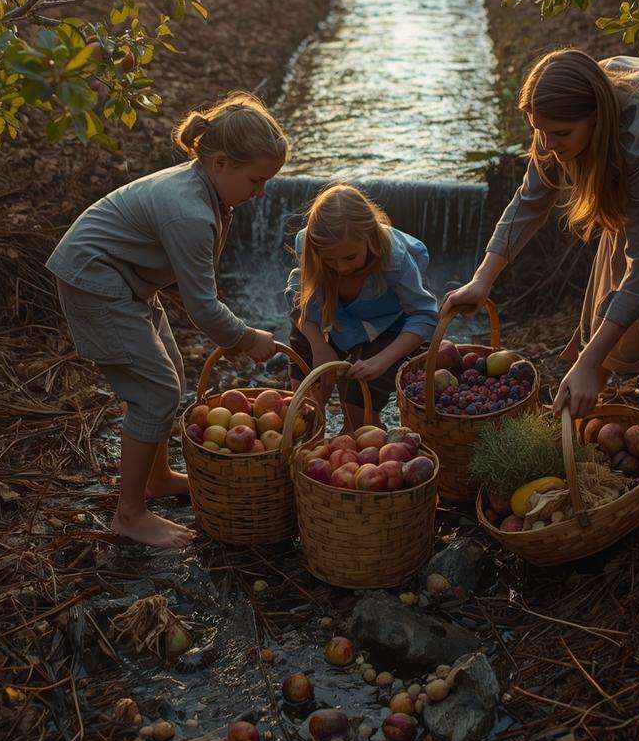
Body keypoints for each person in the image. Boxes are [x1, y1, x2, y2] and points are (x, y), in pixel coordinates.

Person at [443, 48, 639, 420]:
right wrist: (482, 281)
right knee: (609, 280)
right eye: (539, 132)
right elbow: (530, 200)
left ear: (596, 119)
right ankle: (583, 394)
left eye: (560, 134)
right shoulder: (557, 120)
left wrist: (591, 366)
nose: (547, 146)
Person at [47, 93, 286, 548]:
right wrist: (245, 338)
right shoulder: (190, 212)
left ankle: (155, 479)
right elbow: (202, 307)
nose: (261, 193)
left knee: (171, 376)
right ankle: (130, 514)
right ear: (219, 163)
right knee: (155, 391)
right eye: (257, 181)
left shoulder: (207, 189)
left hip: (127, 280)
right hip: (95, 280)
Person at [286, 183, 438, 429]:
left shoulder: (394, 260)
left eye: (349, 257)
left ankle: (361, 439)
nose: (342, 268)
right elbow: (300, 301)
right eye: (330, 260)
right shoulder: (310, 245)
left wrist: (381, 360)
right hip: (329, 316)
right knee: (305, 408)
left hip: (386, 325)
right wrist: (319, 345)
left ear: (369, 237)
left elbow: (425, 315)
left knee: (359, 416)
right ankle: (309, 441)